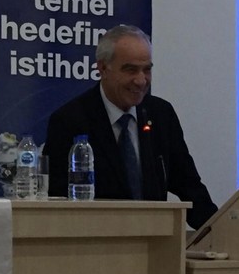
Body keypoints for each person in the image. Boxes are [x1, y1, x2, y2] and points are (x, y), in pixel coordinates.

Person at [43, 24, 217, 229]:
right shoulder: (69, 120)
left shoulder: (161, 114)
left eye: (147, 70)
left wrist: (219, 231)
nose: (141, 81)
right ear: (103, 68)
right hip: (94, 240)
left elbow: (189, 186)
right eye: (131, 70)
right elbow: (57, 200)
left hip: (153, 240)